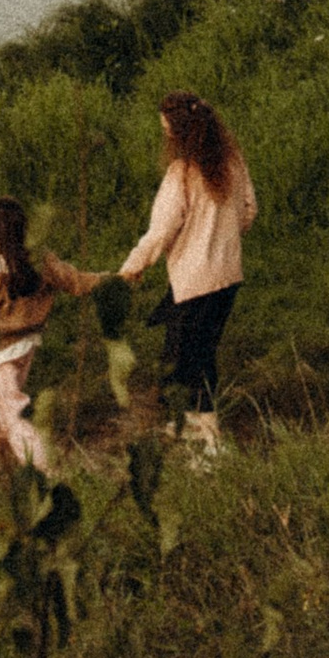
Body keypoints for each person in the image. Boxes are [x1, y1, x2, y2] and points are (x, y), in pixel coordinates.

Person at [118, 90, 256, 458]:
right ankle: (180, 422)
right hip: (228, 275)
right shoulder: (234, 163)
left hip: (195, 281)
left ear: (179, 134)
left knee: (192, 359)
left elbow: (161, 231)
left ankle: (211, 440)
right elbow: (248, 211)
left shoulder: (180, 175)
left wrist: (132, 265)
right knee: (190, 349)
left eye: (166, 130)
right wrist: (221, 237)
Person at [0, 195, 102, 472]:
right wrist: (109, 280)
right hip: (26, 346)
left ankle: (43, 466)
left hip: (2, 351)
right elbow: (75, 281)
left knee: (12, 412)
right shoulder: (41, 261)